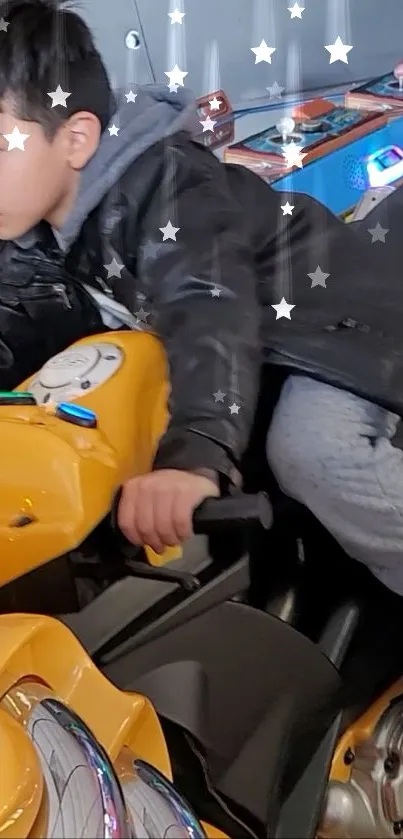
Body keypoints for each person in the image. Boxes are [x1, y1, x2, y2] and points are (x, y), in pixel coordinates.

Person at [3, 0, 403, 593]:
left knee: (314, 451)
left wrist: (195, 456)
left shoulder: (165, 185)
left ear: (77, 137)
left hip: (331, 332)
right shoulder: (30, 224)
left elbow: (208, 305)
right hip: (247, 361)